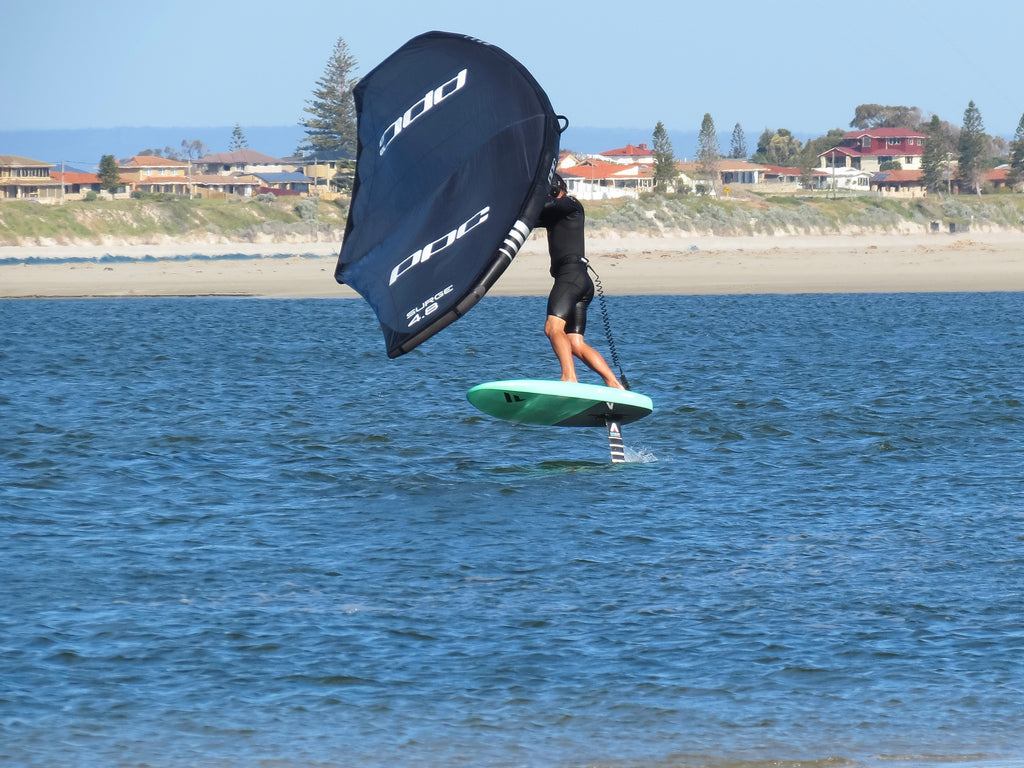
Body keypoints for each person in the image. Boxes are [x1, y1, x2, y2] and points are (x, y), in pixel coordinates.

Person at [535, 174, 624, 389]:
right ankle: (614, 384)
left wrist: (535, 198)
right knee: (575, 342)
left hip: (570, 277)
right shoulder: (555, 214)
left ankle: (569, 377)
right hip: (579, 279)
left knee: (552, 328)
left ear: (555, 190)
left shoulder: (572, 205)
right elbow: (530, 218)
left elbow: (549, 205)